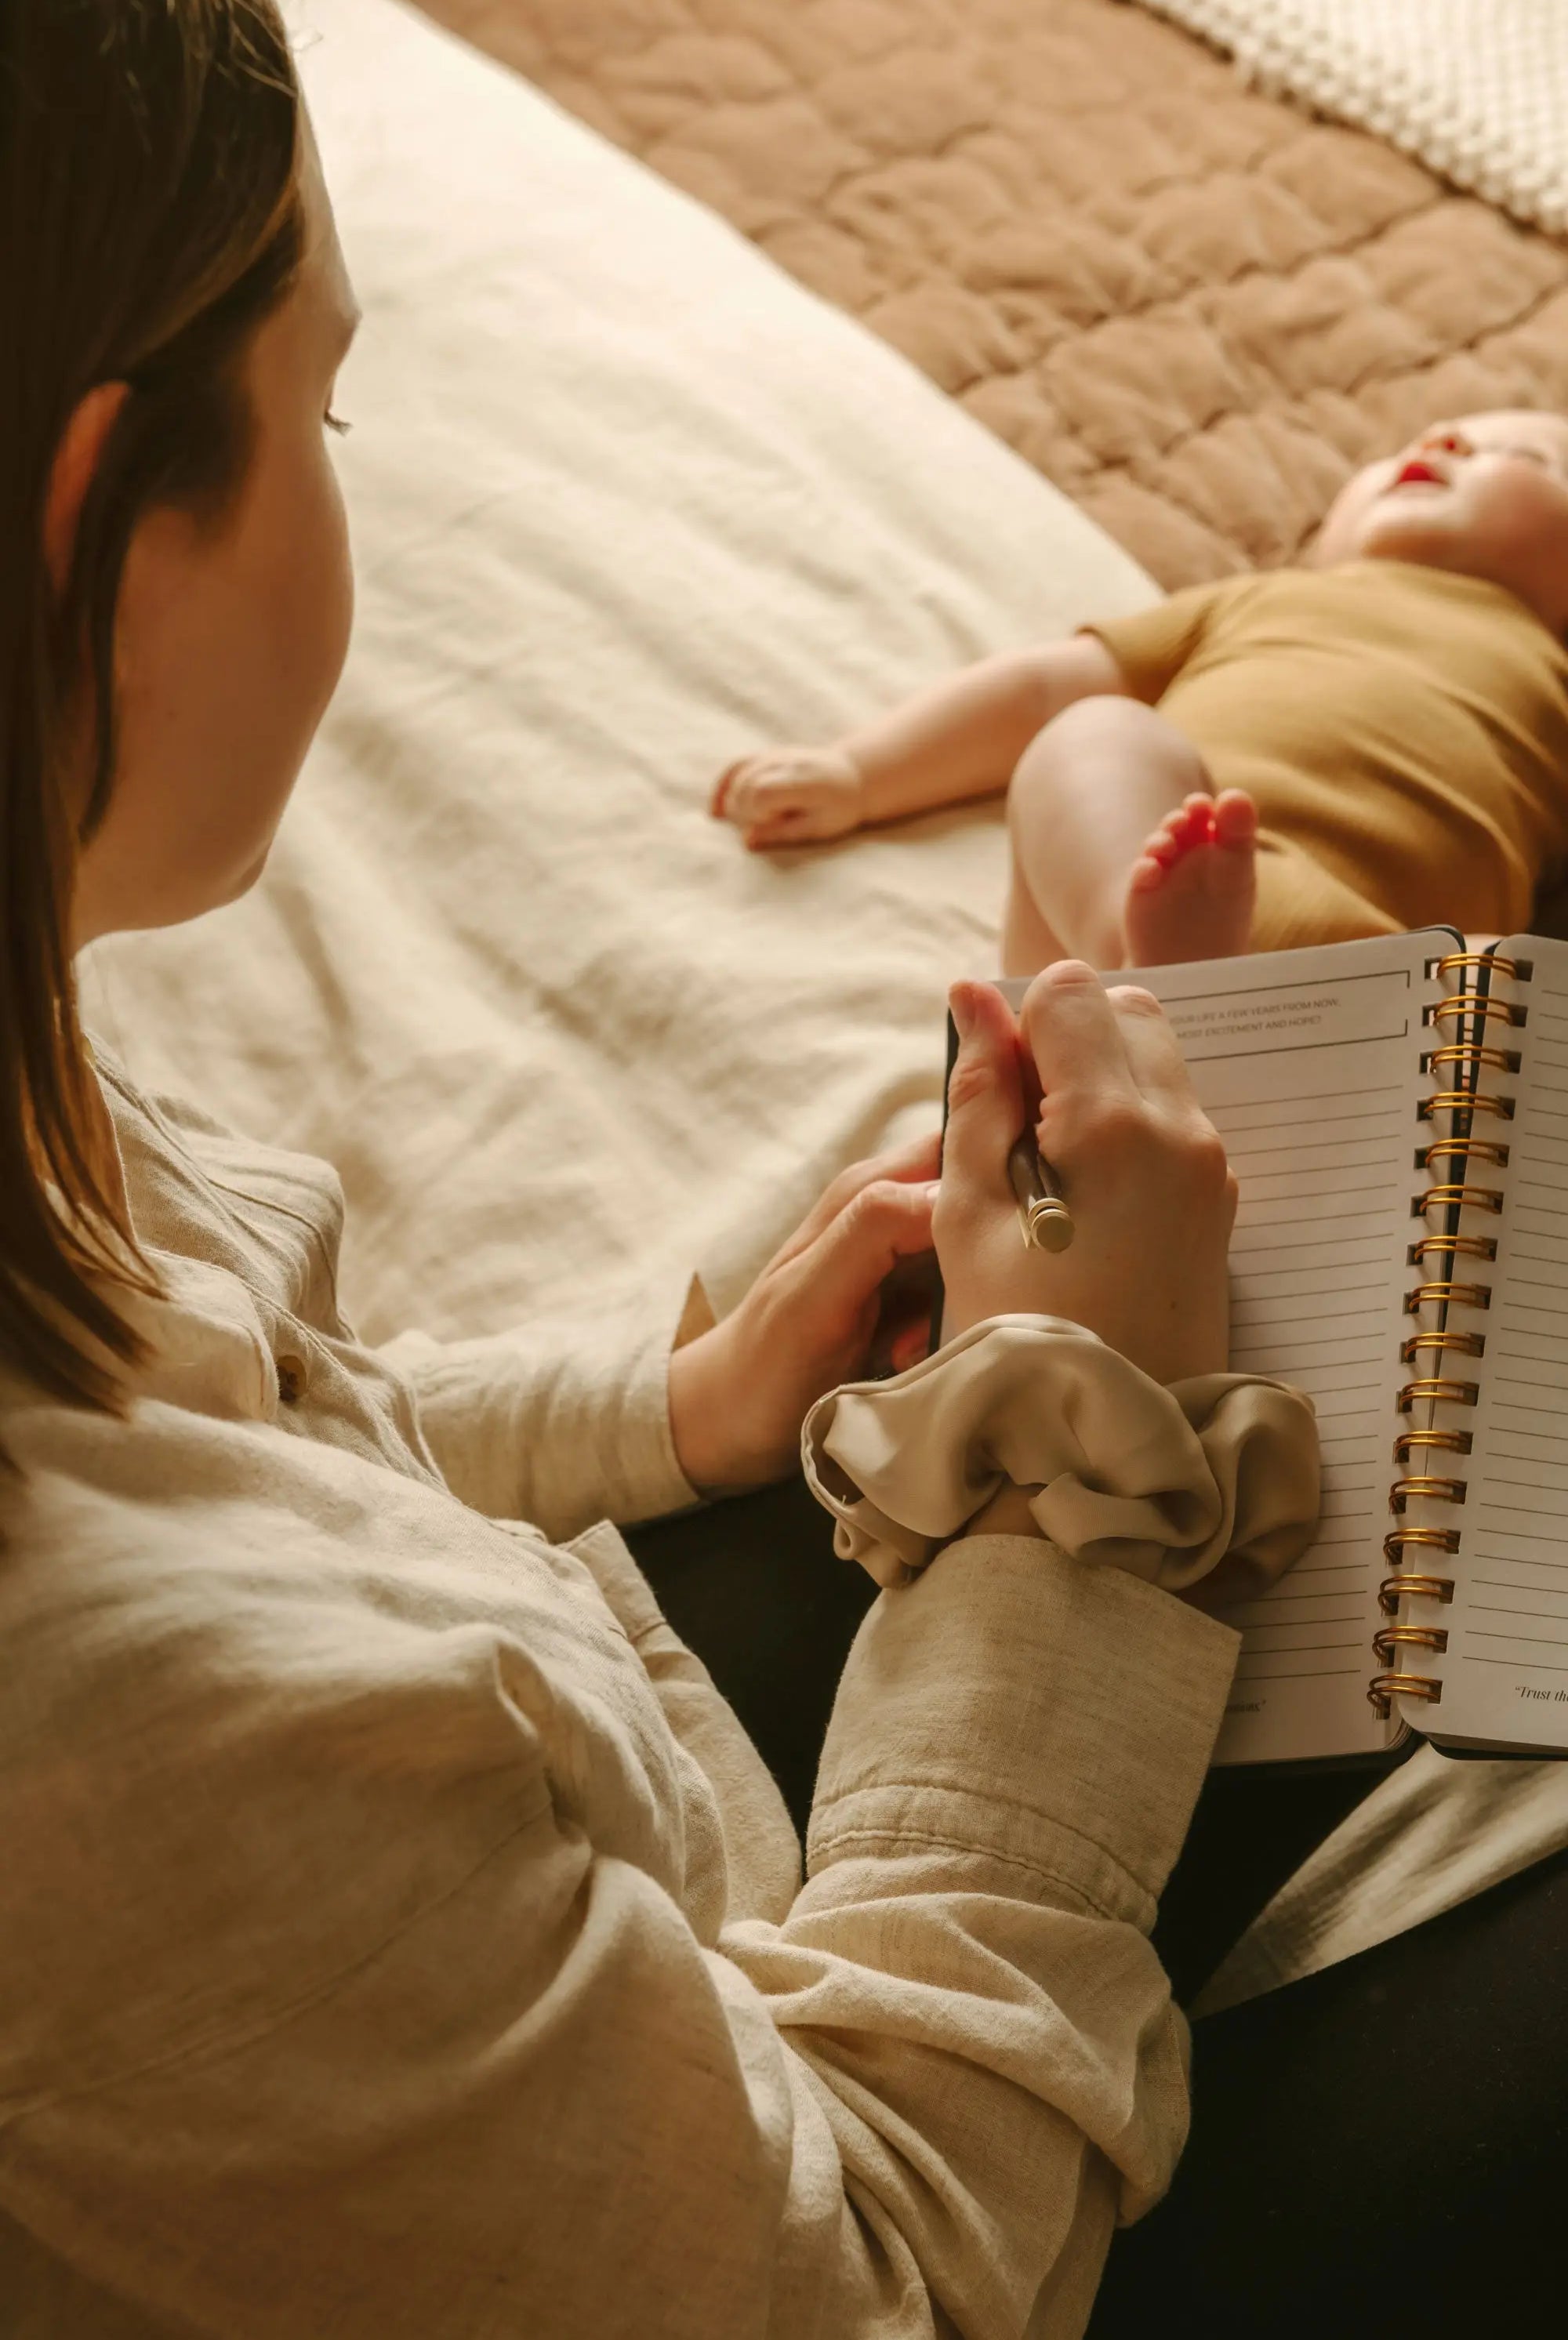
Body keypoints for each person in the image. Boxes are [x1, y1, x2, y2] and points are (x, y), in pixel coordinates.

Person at [0, 5, 1321, 2334]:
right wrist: (1048, 1496)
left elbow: (287, 1448)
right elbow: (885, 2269)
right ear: (91, 524)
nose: (342, 475)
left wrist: (667, 1407)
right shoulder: (127, 1756)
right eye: (320, 412)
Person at [712, 411, 1568, 970]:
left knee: (1517, 977)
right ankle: (1146, 965)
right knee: (1095, 737)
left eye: (1516, 454)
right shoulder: (1263, 598)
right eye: (1420, 438)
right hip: (1144, 914)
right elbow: (1040, 692)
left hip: (1381, 982)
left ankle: (1168, 990)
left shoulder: (1548, 673)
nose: (1442, 444)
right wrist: (860, 773)